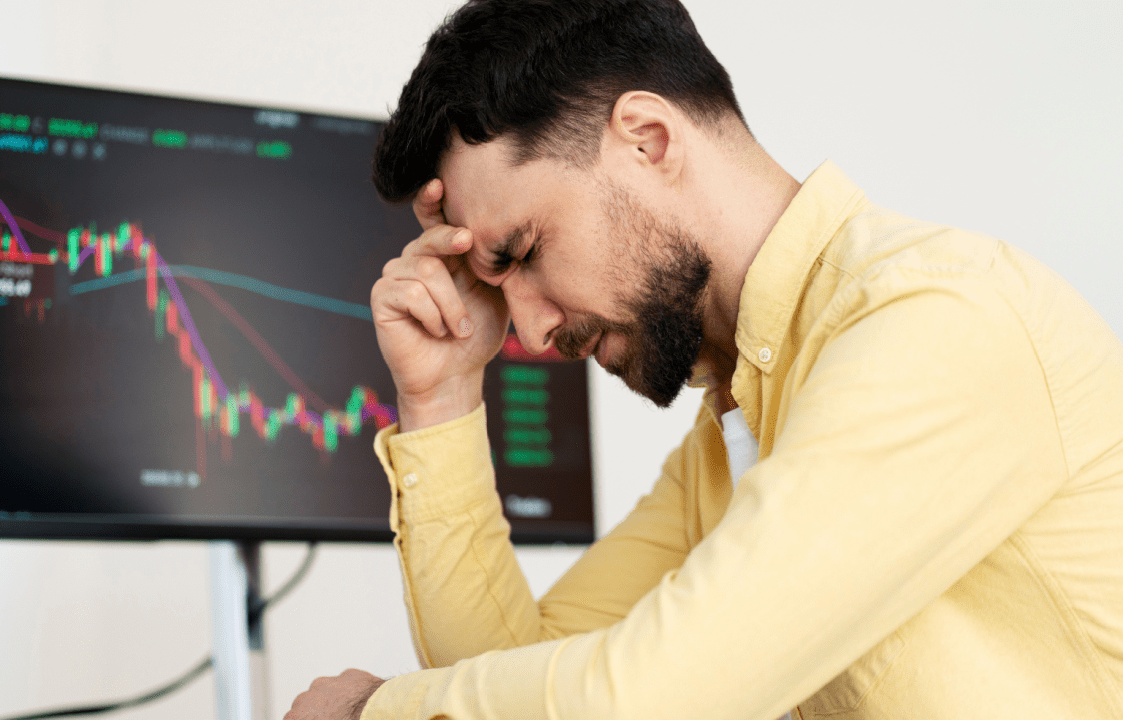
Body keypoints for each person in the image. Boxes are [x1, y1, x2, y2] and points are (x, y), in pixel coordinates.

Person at [286, 1, 1123, 718]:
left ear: (647, 140)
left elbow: (656, 696)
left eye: (527, 250)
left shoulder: (938, 321)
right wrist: (443, 394)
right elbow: (505, 668)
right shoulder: (735, 433)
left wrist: (375, 710)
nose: (530, 332)